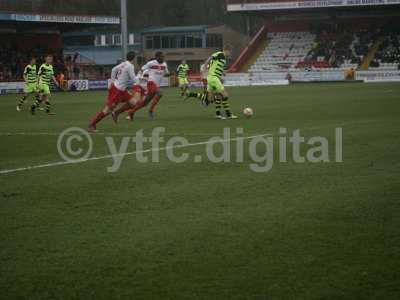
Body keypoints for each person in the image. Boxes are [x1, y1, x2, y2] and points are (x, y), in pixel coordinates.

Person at [88, 51, 138, 132]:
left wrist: (112, 82)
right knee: (107, 110)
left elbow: (113, 69)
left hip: (121, 89)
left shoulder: (124, 63)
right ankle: (92, 124)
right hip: (117, 91)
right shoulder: (130, 66)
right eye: (136, 58)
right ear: (134, 58)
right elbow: (134, 79)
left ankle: (116, 113)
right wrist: (141, 79)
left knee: (134, 102)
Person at [187, 45, 237, 119]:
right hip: (213, 78)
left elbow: (217, 69)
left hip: (214, 78)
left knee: (212, 99)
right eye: (230, 52)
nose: (230, 54)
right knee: (224, 95)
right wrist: (205, 66)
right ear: (227, 50)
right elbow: (211, 57)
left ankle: (216, 113)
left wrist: (223, 74)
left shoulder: (224, 59)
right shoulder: (220, 54)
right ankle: (228, 114)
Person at [125, 51, 170, 120]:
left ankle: (131, 112)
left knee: (144, 103)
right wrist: (139, 76)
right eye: (162, 57)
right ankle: (151, 111)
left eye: (163, 57)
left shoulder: (164, 64)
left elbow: (166, 73)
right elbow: (142, 69)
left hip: (156, 85)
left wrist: (169, 74)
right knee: (160, 93)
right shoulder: (151, 63)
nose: (163, 58)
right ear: (157, 57)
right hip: (151, 83)